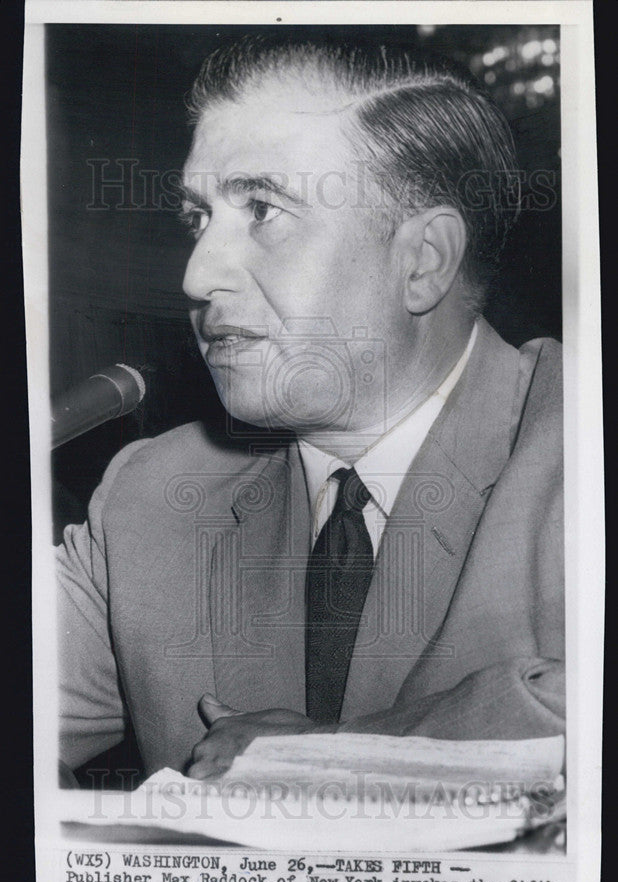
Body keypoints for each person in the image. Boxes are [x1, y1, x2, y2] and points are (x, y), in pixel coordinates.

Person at [57, 35, 564, 783]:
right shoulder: (147, 499)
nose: (196, 276)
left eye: (262, 209)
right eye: (198, 219)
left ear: (422, 260)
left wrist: (331, 761)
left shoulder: (577, 447)